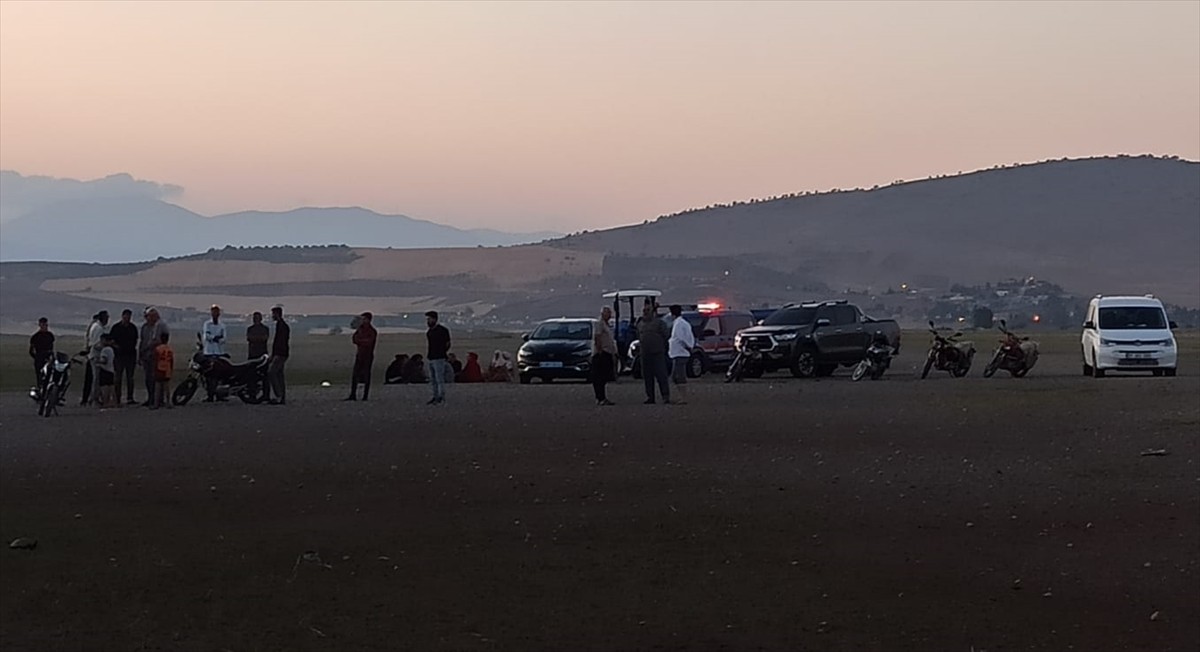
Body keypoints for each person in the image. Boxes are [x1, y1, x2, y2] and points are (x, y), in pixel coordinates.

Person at [636, 302, 670, 404]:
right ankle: (650, 397)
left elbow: (666, 335)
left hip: (657, 353)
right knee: (647, 377)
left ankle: (665, 396)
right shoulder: (640, 324)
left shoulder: (659, 323)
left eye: (647, 311)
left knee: (661, 375)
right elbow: (638, 336)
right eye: (644, 311)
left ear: (653, 312)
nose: (645, 312)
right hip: (645, 354)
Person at [138, 308, 169, 407]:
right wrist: (140, 354)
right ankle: (150, 398)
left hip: (156, 355)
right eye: (147, 316)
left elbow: (160, 340)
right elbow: (142, 341)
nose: (148, 318)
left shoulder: (160, 326)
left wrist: (149, 347)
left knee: (157, 378)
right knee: (148, 378)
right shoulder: (144, 327)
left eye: (151, 316)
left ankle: (159, 399)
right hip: (146, 356)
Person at [109, 309, 139, 405]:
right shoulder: (116, 328)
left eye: (129, 317)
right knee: (118, 377)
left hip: (130, 355)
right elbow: (111, 340)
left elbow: (135, 340)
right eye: (125, 317)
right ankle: (117, 397)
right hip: (119, 356)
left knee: (130, 377)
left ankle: (130, 398)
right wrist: (116, 347)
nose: (127, 319)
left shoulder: (133, 328)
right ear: (122, 316)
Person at [667, 304, 695, 405]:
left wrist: (688, 347)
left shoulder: (679, 324)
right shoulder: (683, 323)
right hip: (678, 353)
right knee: (675, 376)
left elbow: (681, 338)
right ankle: (681, 396)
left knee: (679, 376)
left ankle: (683, 397)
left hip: (680, 353)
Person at [346, 312, 377, 401]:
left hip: (367, 355)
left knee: (366, 375)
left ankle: (365, 396)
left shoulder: (372, 331)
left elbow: (369, 342)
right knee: (355, 375)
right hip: (359, 355)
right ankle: (353, 395)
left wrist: (360, 341)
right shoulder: (360, 329)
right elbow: (354, 339)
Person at [591, 306, 618, 406]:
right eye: (608, 313)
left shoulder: (607, 324)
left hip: (608, 352)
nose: (610, 315)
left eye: (610, 313)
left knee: (604, 377)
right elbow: (597, 337)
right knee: (599, 377)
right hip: (601, 354)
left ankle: (602, 397)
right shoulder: (599, 323)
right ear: (603, 313)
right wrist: (600, 351)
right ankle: (600, 398)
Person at [201, 305, 228, 402]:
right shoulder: (207, 324)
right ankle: (210, 395)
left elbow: (224, 339)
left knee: (218, 375)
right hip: (208, 352)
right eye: (213, 312)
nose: (215, 314)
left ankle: (219, 394)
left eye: (216, 312)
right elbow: (206, 336)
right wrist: (216, 337)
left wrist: (215, 338)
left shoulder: (222, 325)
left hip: (218, 352)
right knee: (209, 375)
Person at [82, 311, 110, 405]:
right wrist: (106, 344)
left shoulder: (95, 326)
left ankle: (93, 397)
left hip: (93, 354)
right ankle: (94, 398)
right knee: (96, 378)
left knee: (95, 377)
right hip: (96, 355)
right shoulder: (98, 328)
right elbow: (96, 344)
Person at [425, 311, 452, 405]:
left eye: (429, 319)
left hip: (439, 357)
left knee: (439, 378)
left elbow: (448, 343)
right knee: (433, 379)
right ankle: (435, 396)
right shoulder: (429, 332)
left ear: (435, 319)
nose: (428, 321)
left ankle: (441, 397)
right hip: (431, 357)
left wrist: (442, 352)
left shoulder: (442, 330)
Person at [266, 306, 290, 405]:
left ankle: (279, 395)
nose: (272, 316)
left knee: (271, 372)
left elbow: (280, 342)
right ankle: (282, 397)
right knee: (279, 375)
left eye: (273, 314)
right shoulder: (281, 325)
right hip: (282, 353)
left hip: (280, 354)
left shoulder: (282, 326)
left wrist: (275, 354)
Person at [29, 317, 55, 388]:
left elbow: (52, 348)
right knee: (40, 376)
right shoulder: (35, 337)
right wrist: (37, 357)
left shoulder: (50, 335)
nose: (44, 326)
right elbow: (31, 351)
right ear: (40, 325)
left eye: (45, 324)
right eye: (43, 324)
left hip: (48, 358)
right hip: (39, 358)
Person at [152, 332, 174, 409]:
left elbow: (155, 360)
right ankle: (168, 402)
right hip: (167, 368)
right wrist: (171, 369)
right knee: (166, 387)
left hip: (159, 368)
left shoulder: (158, 349)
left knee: (157, 387)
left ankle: (156, 404)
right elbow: (171, 360)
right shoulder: (169, 349)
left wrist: (154, 369)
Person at [95, 332, 117, 409]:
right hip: (111, 370)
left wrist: (97, 361)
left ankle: (106, 402)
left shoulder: (104, 350)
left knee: (104, 387)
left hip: (105, 369)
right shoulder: (111, 349)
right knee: (111, 386)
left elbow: (104, 360)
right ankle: (114, 402)